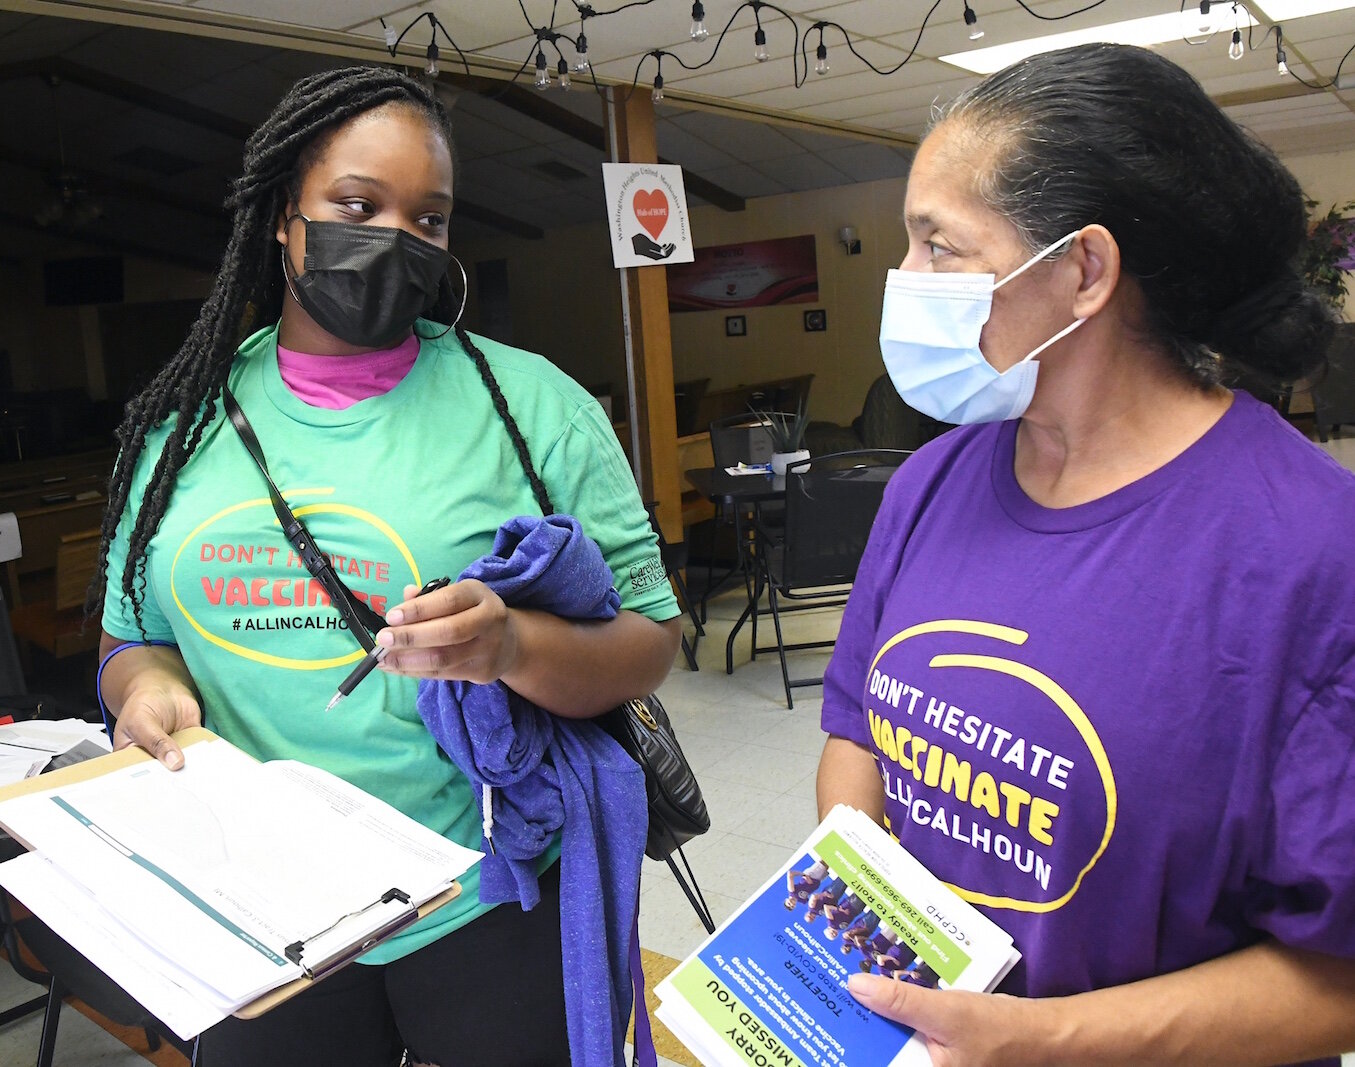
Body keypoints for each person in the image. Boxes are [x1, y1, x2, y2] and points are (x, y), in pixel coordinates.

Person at [91, 66, 681, 1067]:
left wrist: (508, 643)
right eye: (357, 206)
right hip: (256, 906)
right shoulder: (178, 426)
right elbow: (131, 636)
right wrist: (145, 687)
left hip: (484, 891)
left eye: (430, 219)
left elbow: (649, 641)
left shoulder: (531, 406)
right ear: (284, 217)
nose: (396, 239)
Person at [816, 43, 1355, 1067]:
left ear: (1080, 270)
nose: (901, 280)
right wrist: (861, 922)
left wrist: (1042, 1038)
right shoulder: (927, 487)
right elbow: (856, 733)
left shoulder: (1312, 553)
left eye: (937, 245)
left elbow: (1337, 972)